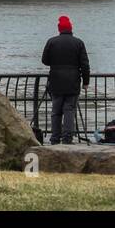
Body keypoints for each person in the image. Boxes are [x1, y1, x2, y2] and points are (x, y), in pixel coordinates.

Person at [41, 15, 91, 144]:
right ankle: (67, 138)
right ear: (70, 29)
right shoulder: (78, 42)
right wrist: (86, 82)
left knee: (56, 110)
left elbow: (45, 61)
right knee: (69, 110)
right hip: (73, 81)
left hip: (56, 81)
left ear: (59, 29)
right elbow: (85, 64)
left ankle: (55, 138)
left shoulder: (51, 41)